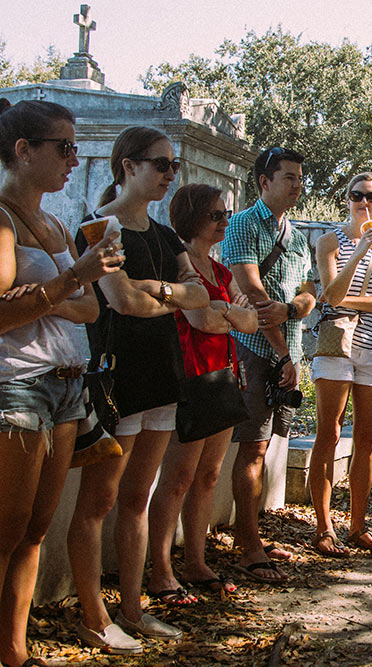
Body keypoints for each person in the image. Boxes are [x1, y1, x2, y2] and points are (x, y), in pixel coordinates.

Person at [69, 126, 209, 653]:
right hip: (116, 377)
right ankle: (93, 616)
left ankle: (133, 610)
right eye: (161, 164)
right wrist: (167, 295)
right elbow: (122, 302)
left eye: (174, 167)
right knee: (99, 501)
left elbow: (197, 293)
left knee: (137, 498)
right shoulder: (97, 229)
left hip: (162, 375)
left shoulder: (166, 234)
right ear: (128, 165)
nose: (170, 175)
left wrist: (161, 290)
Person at [0, 99, 123, 667]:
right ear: (23, 150)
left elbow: (92, 312)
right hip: (18, 386)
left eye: (76, 147)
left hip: (68, 386)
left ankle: (15, 652)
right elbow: (2, 314)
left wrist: (55, 296)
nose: (75, 158)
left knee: (35, 530)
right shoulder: (1, 219)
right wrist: (71, 282)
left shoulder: (53, 221)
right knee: (5, 528)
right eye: (64, 147)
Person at [147, 184, 259, 602]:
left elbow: (248, 322)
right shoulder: (180, 265)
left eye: (226, 214)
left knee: (208, 477)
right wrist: (230, 313)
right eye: (216, 215)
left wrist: (225, 312)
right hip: (191, 379)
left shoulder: (222, 272)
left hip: (223, 379)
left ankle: (196, 561)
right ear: (193, 217)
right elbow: (200, 321)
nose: (224, 222)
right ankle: (161, 570)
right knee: (177, 478)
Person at [220, 146, 316, 583]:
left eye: (300, 178)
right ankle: (248, 546)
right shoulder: (241, 223)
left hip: (287, 356)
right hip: (255, 353)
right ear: (264, 181)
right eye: (290, 177)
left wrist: (293, 311)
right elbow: (251, 291)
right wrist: (281, 352)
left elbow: (310, 292)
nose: (298, 185)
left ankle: (251, 534)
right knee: (253, 448)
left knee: (268, 446)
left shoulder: (296, 236)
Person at [310, 172, 372, 556]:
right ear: (346, 199)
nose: (365, 202)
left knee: (366, 437)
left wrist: (351, 300)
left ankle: (358, 526)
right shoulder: (329, 241)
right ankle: (324, 527)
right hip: (336, 344)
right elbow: (329, 294)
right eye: (357, 196)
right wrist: (360, 252)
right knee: (329, 433)